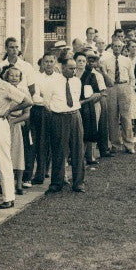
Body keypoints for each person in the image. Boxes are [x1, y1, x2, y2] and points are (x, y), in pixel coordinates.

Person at [43, 59, 93, 193]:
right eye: (71, 68)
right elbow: (46, 101)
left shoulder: (76, 81)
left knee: (78, 149)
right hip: (59, 117)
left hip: (75, 116)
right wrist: (57, 113)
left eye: (75, 68)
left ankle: (78, 183)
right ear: (63, 67)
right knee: (59, 150)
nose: (74, 71)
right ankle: (57, 183)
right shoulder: (52, 82)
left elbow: (76, 99)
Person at [0, 64, 32, 203]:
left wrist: (13, 119)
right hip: (3, 123)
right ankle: (3, 184)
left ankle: (19, 183)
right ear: (6, 76)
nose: (14, 78)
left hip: (15, 124)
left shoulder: (23, 91)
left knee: (17, 154)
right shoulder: (3, 89)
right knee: (4, 155)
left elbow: (27, 112)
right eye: (11, 75)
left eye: (17, 76)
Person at [100, 41, 135, 153]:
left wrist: (130, 88)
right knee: (112, 117)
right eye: (115, 46)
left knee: (126, 116)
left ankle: (129, 144)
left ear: (122, 47)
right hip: (111, 88)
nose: (117, 48)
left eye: (119, 46)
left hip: (124, 86)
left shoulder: (127, 60)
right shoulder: (105, 61)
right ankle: (115, 144)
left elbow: (132, 77)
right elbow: (103, 77)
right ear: (112, 47)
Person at [30, 54, 58, 183]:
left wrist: (48, 99)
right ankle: (40, 174)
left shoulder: (59, 78)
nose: (48, 64)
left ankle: (53, 173)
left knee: (55, 142)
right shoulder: (37, 78)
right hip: (41, 111)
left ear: (55, 62)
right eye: (46, 61)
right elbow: (36, 97)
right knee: (41, 142)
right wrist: (47, 100)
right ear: (42, 63)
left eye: (51, 61)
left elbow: (60, 96)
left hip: (57, 111)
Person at [74, 52, 105, 163]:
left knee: (86, 133)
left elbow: (97, 93)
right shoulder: (71, 75)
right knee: (75, 133)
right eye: (79, 61)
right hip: (73, 107)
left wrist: (84, 101)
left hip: (86, 108)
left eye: (83, 61)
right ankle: (75, 157)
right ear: (75, 62)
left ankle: (84, 157)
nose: (81, 63)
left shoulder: (90, 75)